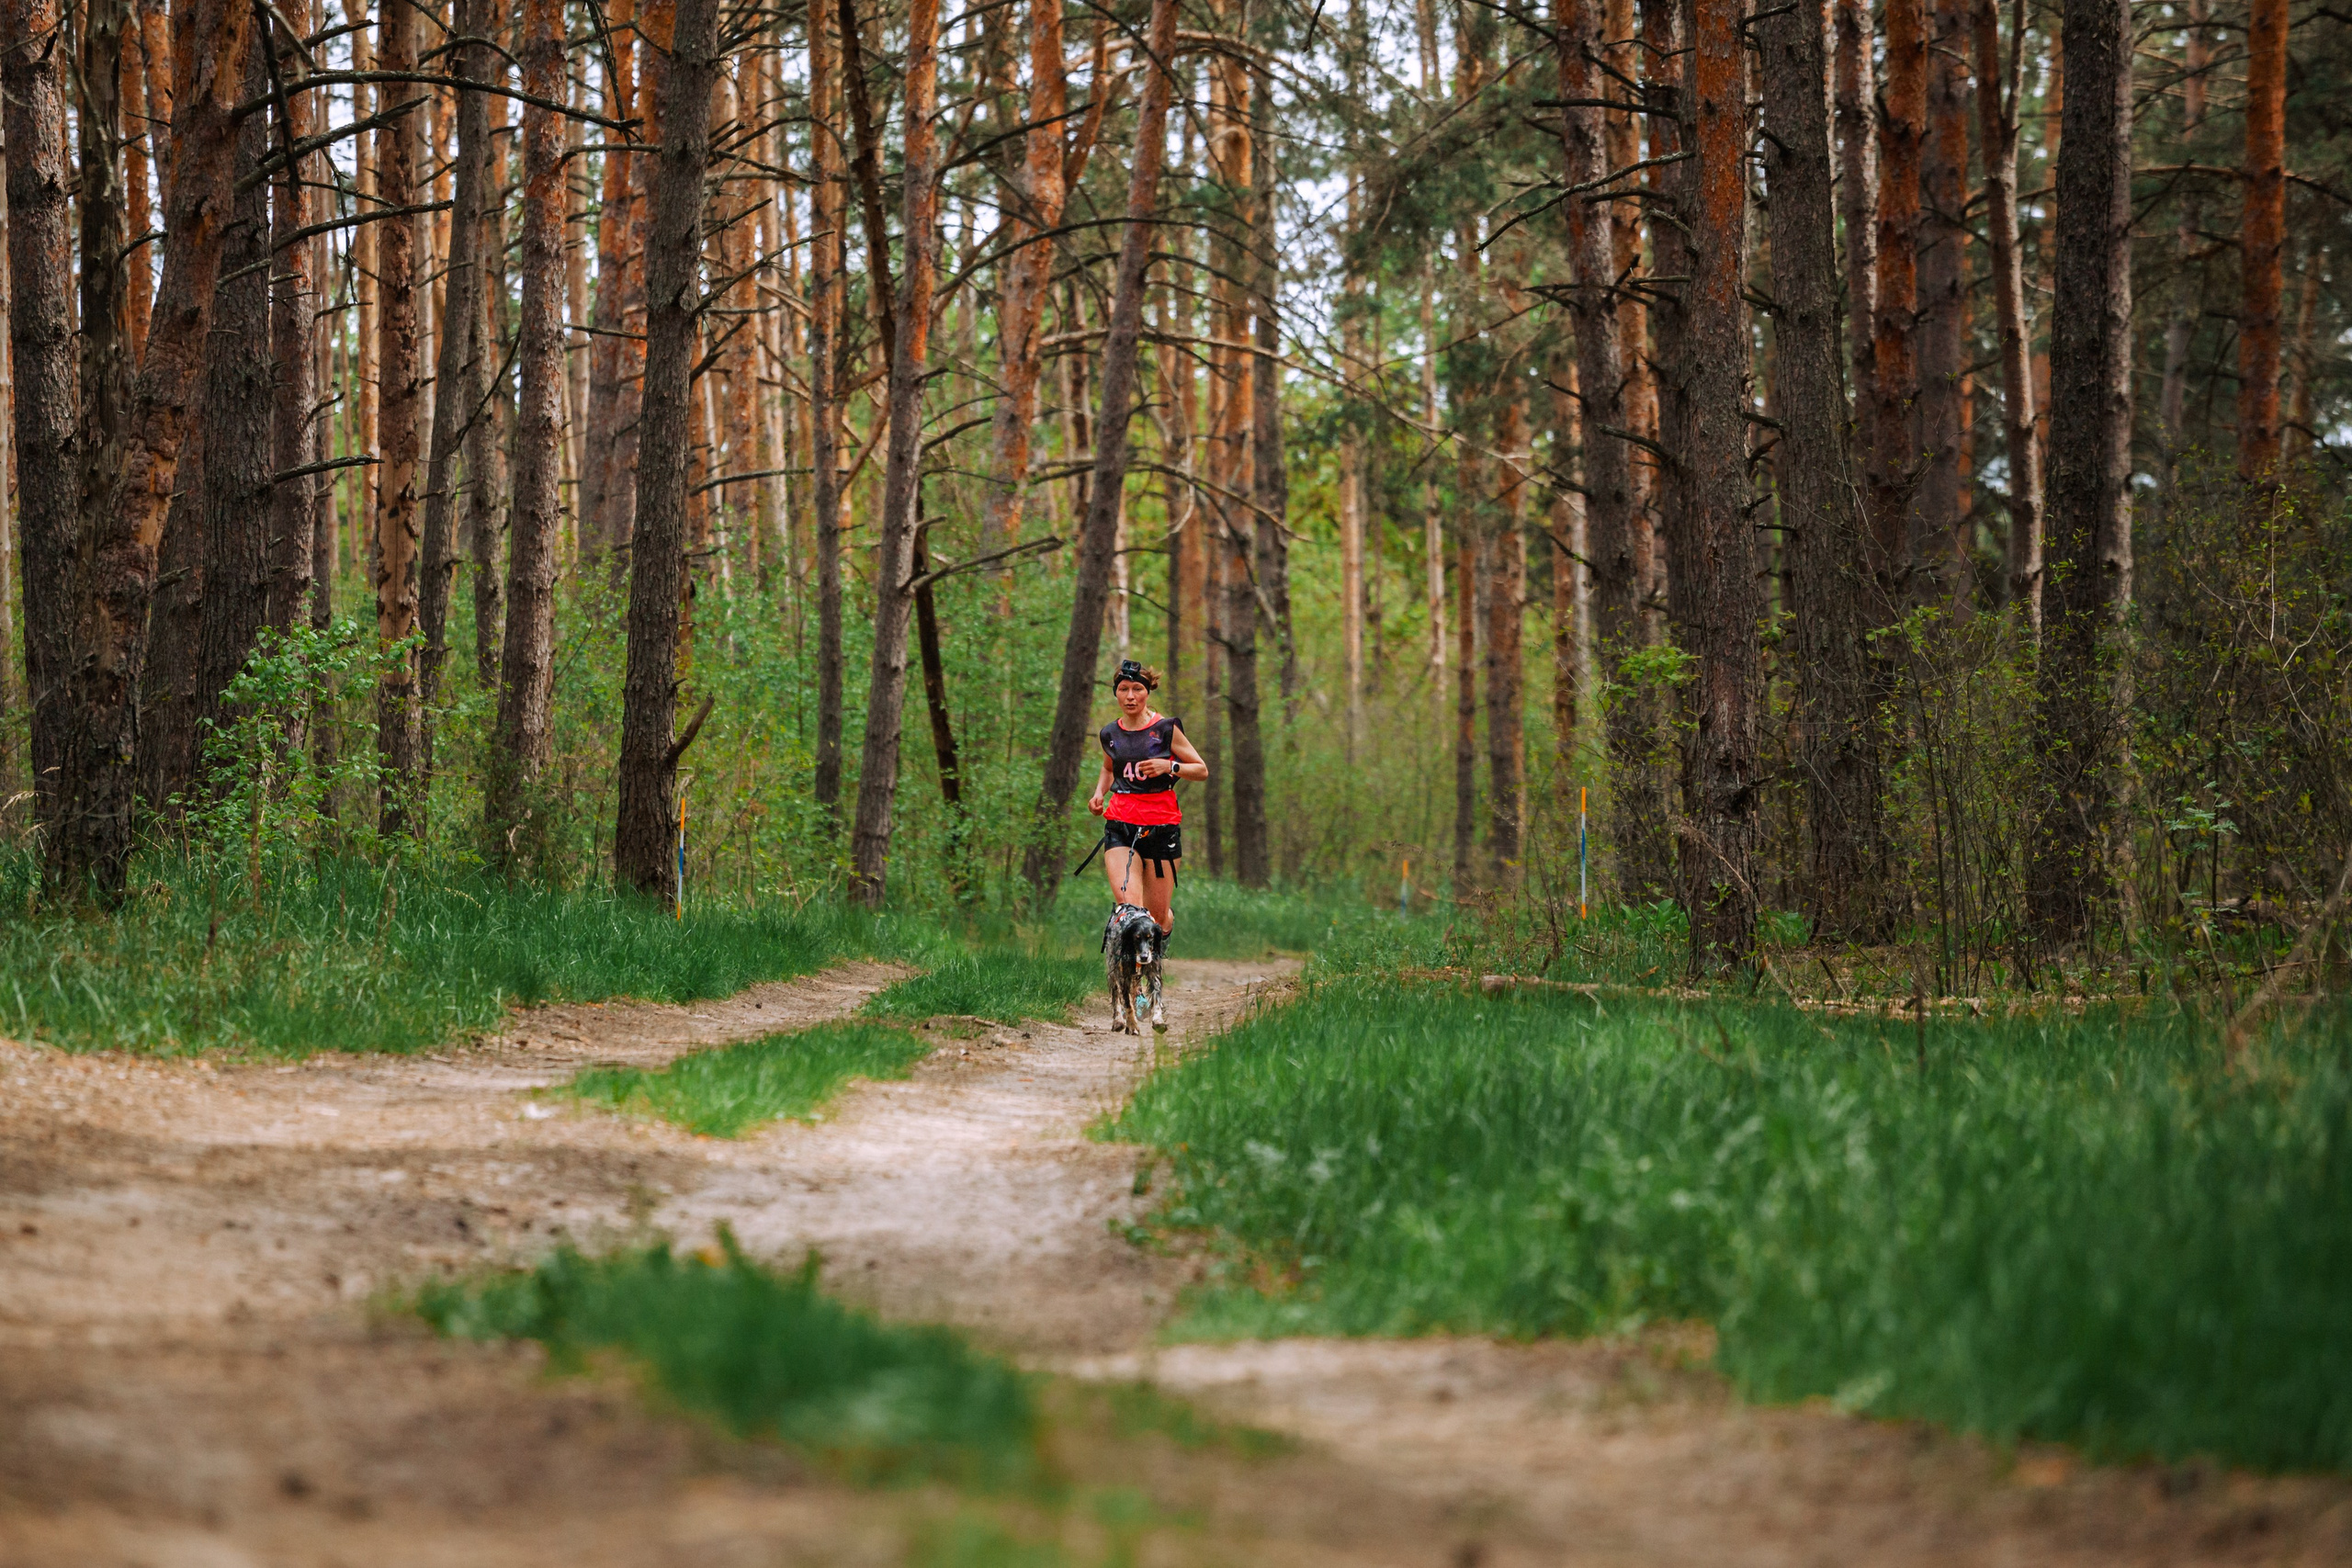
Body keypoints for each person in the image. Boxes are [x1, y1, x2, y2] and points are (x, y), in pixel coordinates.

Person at [1088, 660, 1205, 951]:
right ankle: (1135, 981)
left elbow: (1201, 770)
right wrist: (1099, 793)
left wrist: (1169, 766)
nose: (1130, 696)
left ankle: (1161, 938)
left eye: (1137, 689)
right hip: (1120, 826)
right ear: (1116, 693)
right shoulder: (1109, 734)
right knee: (1131, 912)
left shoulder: (1166, 730)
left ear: (1147, 692)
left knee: (1156, 916)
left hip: (1162, 829)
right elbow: (1108, 768)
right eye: (1124, 689)